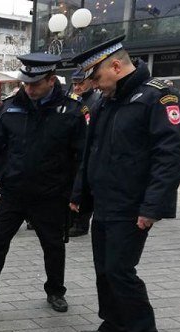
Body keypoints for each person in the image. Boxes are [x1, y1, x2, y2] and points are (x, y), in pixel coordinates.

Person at [70, 36, 180, 332]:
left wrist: (152, 206)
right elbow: (91, 152)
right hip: (106, 201)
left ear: (117, 66)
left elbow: (171, 156)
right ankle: (115, 323)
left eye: (96, 76)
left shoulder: (158, 97)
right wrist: (80, 194)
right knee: (104, 269)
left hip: (132, 205)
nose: (92, 83)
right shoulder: (106, 100)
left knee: (121, 269)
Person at [0, 53, 87, 316]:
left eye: (35, 84)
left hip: (51, 195)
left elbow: (82, 157)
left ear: (51, 80)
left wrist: (76, 194)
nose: (29, 89)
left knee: (53, 245)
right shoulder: (11, 106)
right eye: (26, 83)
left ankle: (55, 291)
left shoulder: (70, 110)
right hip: (14, 193)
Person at [67, 68, 102, 238]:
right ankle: (72, 220)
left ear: (89, 82)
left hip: (85, 151)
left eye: (80, 83)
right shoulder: (74, 99)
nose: (77, 87)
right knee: (73, 187)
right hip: (72, 152)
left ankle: (81, 224)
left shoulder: (93, 101)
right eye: (74, 83)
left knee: (83, 187)